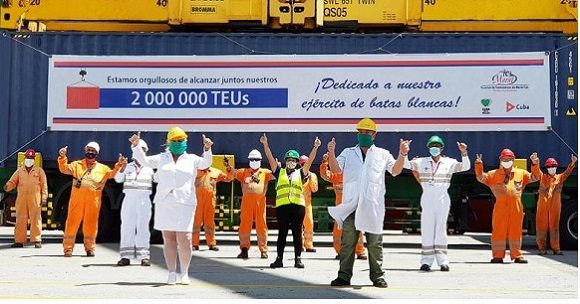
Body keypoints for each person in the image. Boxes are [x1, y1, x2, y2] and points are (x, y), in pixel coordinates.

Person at [327, 118, 410, 288]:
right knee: (348, 242)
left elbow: (395, 171)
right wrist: (331, 153)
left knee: (374, 243)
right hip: (352, 204)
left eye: (366, 132)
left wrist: (402, 154)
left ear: (374, 134)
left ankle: (377, 276)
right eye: (360, 132)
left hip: (373, 206)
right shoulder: (348, 152)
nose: (363, 135)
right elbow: (336, 170)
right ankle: (343, 276)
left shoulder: (383, 154)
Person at [129, 128, 213, 285]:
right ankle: (171, 273)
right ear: (168, 142)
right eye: (174, 141)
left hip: (185, 202)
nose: (178, 143)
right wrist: (135, 146)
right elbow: (145, 161)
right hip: (165, 201)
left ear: (186, 141)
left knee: (185, 239)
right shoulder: (162, 158)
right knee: (169, 239)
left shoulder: (192, 159)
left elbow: (206, 163)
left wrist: (207, 149)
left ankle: (185, 273)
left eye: (180, 140)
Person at [405, 135, 470, 272]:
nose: (435, 148)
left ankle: (443, 261)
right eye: (432, 146)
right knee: (427, 229)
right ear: (428, 147)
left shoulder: (449, 162)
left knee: (441, 229)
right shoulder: (421, 162)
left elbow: (466, 167)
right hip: (427, 197)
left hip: (442, 198)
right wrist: (405, 152)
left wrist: (464, 153)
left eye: (437, 146)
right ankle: (426, 262)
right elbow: (405, 164)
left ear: (442, 148)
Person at [261, 133, 320, 268]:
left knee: (297, 233)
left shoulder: (300, 173)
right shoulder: (279, 171)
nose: (291, 162)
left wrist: (315, 147)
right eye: (289, 159)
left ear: (297, 162)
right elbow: (270, 158)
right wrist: (265, 145)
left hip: (298, 207)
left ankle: (298, 259)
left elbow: (310, 161)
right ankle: (279, 259)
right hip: (282, 207)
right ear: (285, 160)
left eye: (294, 160)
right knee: (282, 233)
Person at [58, 142, 125, 257]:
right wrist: (62, 157)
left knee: (91, 225)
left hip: (93, 201)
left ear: (97, 153)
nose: (90, 152)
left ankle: (90, 248)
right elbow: (63, 169)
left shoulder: (102, 168)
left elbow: (112, 174)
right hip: (76, 201)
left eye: (93, 151)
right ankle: (68, 249)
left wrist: (119, 165)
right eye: (88, 150)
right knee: (71, 224)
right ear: (85, 151)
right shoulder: (76, 165)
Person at [475, 149, 540, 264]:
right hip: (500, 207)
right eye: (504, 159)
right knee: (498, 231)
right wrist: (479, 165)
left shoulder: (521, 173)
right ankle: (498, 256)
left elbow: (535, 177)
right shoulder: (493, 174)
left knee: (516, 231)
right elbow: (480, 177)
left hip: (516, 207)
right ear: (500, 160)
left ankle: (517, 255)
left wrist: (535, 163)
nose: (506, 161)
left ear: (513, 160)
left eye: (509, 159)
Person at [226, 149, 275, 259]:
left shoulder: (265, 172)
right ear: (249, 160)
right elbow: (233, 172)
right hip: (246, 204)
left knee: (261, 225)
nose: (254, 161)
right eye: (252, 159)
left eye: (256, 159)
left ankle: (263, 250)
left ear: (260, 160)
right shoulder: (244, 172)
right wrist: (228, 167)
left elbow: (275, 174)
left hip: (260, 203)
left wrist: (276, 166)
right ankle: (244, 249)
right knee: (244, 226)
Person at [114, 139, 155, 266]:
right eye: (139, 149)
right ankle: (126, 256)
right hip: (129, 200)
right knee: (127, 226)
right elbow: (117, 179)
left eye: (143, 150)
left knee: (143, 227)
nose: (141, 152)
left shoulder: (149, 168)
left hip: (144, 200)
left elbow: (158, 179)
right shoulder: (128, 166)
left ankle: (144, 256)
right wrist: (122, 168)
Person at [320, 153, 367, 260]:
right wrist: (324, 163)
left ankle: (360, 251)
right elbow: (324, 175)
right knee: (338, 231)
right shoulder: (336, 176)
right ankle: (341, 252)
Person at [3, 149, 48, 248]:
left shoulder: (39, 171)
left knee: (35, 218)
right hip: (22, 199)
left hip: (35, 199)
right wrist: (7, 186)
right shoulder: (20, 171)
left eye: (31, 158)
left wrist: (44, 197)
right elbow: (13, 181)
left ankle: (36, 240)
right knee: (20, 219)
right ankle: (19, 241)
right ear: (25, 158)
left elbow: (44, 185)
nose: (29, 159)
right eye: (28, 157)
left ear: (34, 159)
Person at [535, 154, 577, 255]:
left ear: (556, 167)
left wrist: (573, 163)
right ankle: (542, 249)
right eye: (549, 167)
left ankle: (556, 249)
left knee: (554, 227)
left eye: (553, 166)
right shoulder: (542, 177)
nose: (551, 168)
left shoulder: (560, 178)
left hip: (555, 206)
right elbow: (536, 171)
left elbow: (567, 173)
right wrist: (535, 162)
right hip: (543, 206)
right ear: (546, 168)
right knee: (541, 227)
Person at [192, 165, 232, 251]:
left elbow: (228, 179)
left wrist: (229, 171)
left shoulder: (216, 172)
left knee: (209, 223)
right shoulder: (194, 171)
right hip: (196, 202)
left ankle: (211, 244)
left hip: (210, 202)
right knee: (196, 223)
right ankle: (194, 244)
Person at [299, 155, 319, 253]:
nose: (304, 166)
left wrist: (310, 179)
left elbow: (315, 189)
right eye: (302, 164)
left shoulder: (313, 176)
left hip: (307, 204)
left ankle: (309, 245)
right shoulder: (296, 174)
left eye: (305, 164)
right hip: (298, 203)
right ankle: (299, 245)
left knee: (309, 224)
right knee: (298, 225)